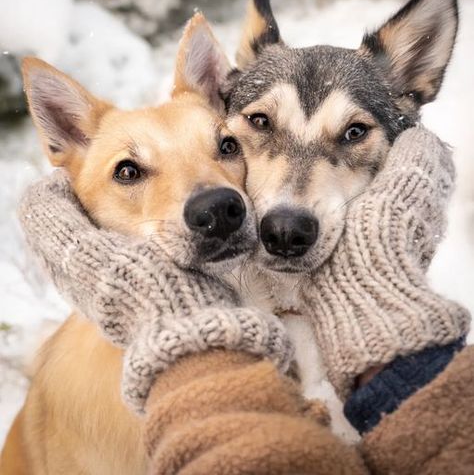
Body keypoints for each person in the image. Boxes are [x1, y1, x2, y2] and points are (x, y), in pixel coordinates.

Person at [14, 127, 474, 474]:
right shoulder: (81, 405)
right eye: (130, 171)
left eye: (226, 148)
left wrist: (176, 317)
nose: (213, 197)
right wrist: (388, 321)